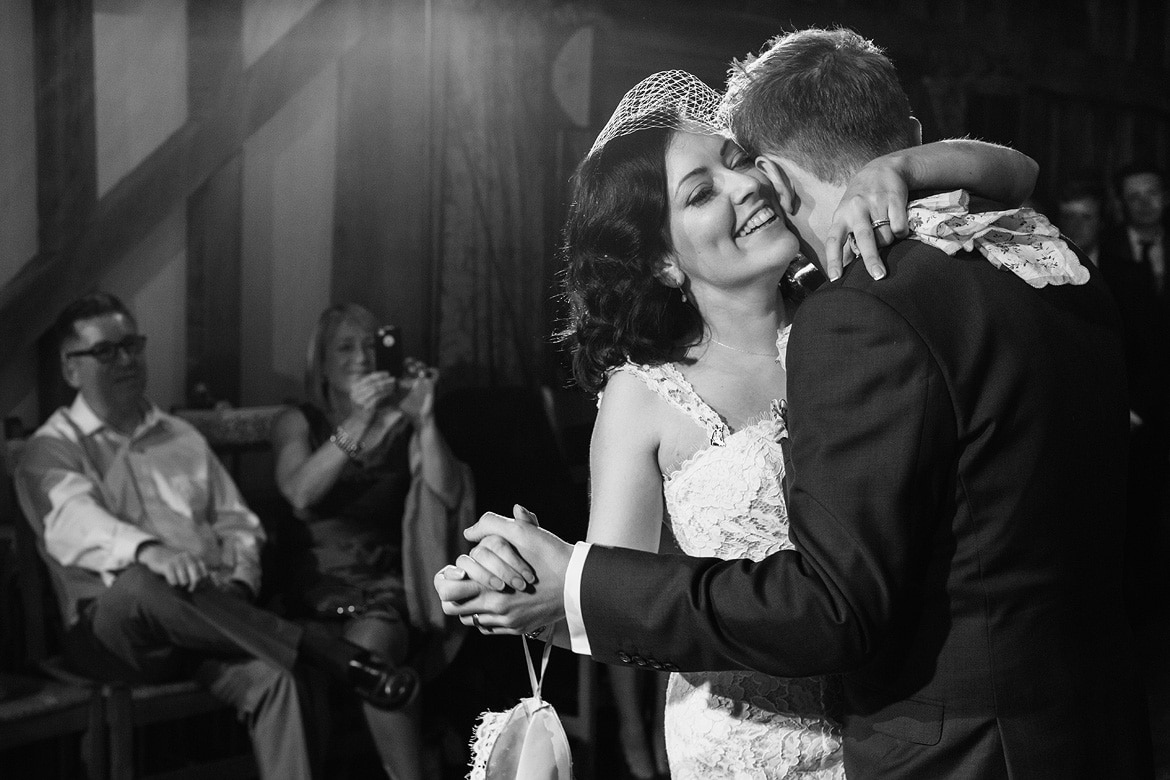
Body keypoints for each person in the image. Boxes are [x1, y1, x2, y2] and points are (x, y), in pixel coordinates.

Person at [435, 29, 1152, 780]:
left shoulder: (850, 308)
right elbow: (618, 598)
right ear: (660, 260)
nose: (745, 190)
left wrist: (900, 165)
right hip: (752, 738)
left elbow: (1013, 170)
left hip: (896, 723)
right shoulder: (645, 395)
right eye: (702, 193)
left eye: (740, 164)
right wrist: (526, 583)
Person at [14, 292, 419, 780]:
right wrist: (150, 549)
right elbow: (73, 521)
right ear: (70, 367)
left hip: (208, 621)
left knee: (280, 680)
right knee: (144, 581)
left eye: (132, 345)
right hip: (115, 633)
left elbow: (237, 524)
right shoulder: (51, 448)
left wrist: (242, 583)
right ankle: (322, 649)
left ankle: (303, 654)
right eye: (105, 351)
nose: (125, 360)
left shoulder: (180, 438)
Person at [271, 302, 473, 780]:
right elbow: (299, 492)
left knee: (371, 652)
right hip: (310, 585)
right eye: (345, 347)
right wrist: (359, 421)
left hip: (385, 585)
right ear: (321, 363)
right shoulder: (296, 422)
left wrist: (424, 420)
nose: (360, 356)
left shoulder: (402, 423)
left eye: (369, 344)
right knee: (319, 658)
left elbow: (447, 495)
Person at [1097, 162, 1170, 774]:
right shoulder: (1114, 264)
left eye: (1154, 194)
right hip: (1145, 414)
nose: (1146, 205)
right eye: (1135, 197)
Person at [1056, 176, 1105, 266]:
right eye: (1069, 217)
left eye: (1086, 217)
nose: (1076, 225)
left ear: (1101, 222)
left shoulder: (1125, 274)